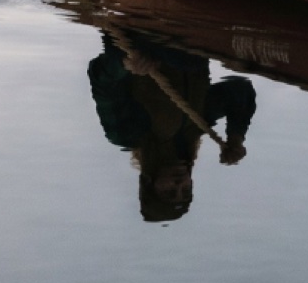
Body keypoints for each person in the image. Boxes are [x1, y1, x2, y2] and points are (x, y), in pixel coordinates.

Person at [87, 30, 257, 222]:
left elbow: (100, 78)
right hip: (193, 38)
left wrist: (125, 64)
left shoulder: (127, 133)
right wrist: (236, 136)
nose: (179, 183)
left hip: (141, 36)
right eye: (185, 189)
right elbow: (240, 91)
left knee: (188, 60)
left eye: (170, 191)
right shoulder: (195, 126)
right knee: (194, 59)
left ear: (148, 182)